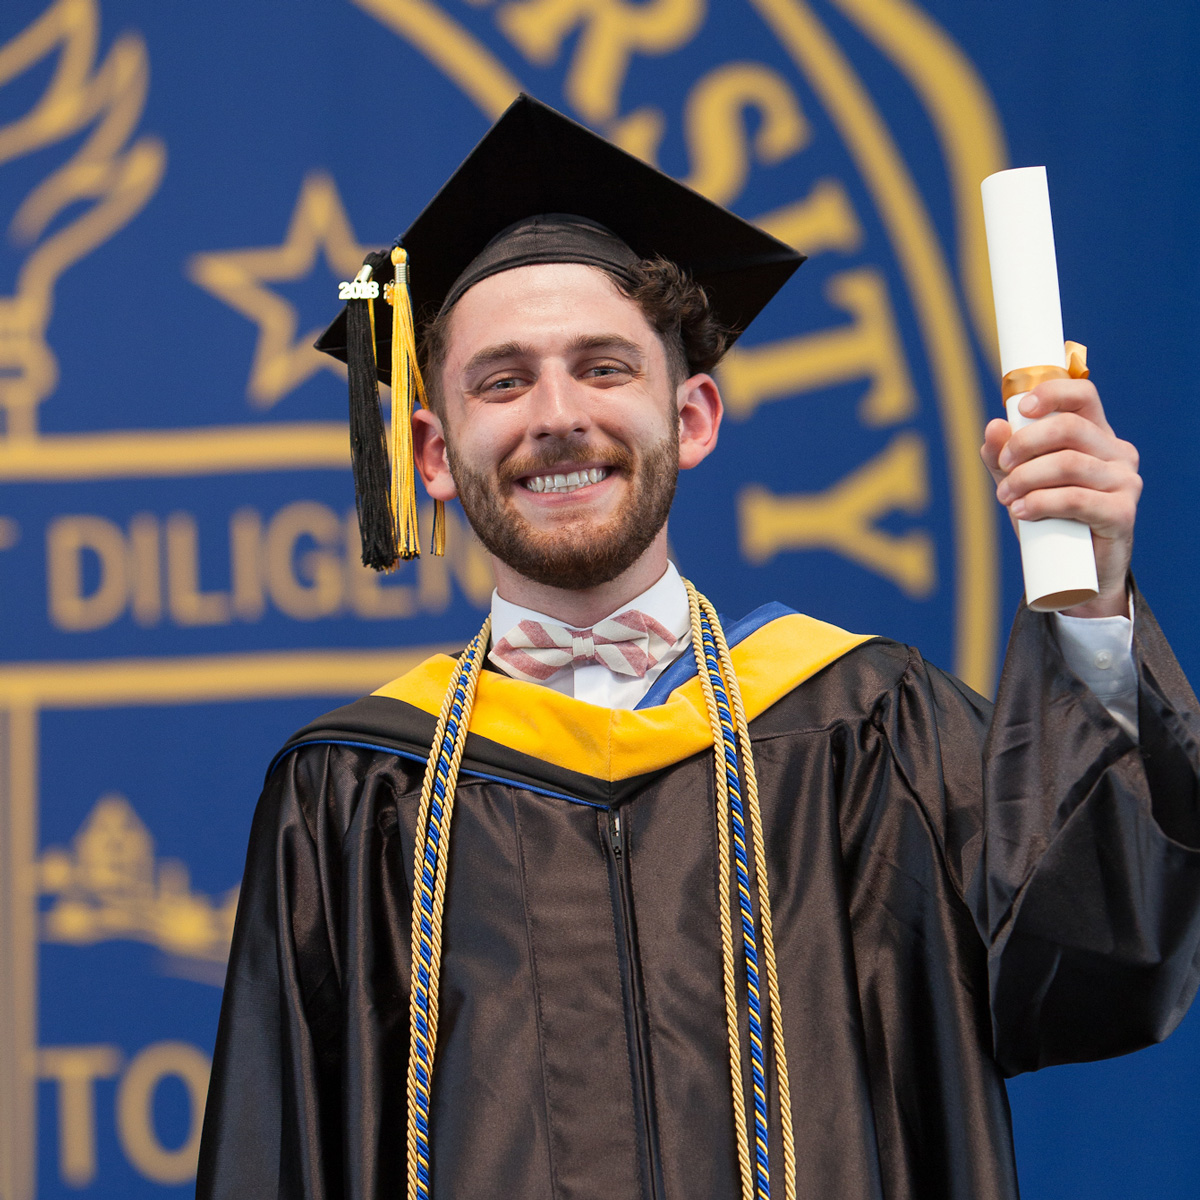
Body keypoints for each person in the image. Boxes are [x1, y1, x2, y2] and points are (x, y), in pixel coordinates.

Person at [196, 95, 1200, 1200]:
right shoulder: (352, 797)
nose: (558, 414)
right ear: (433, 452)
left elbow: (1107, 967)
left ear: (695, 417)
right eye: (503, 379)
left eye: (607, 367)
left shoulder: (872, 733)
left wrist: (1093, 600)